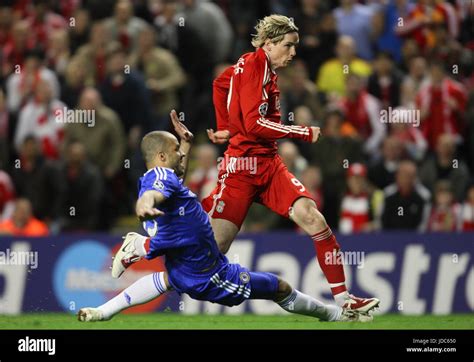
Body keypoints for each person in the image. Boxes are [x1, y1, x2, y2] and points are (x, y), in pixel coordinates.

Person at [78, 111, 372, 323]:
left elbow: (168, 184)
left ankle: (103, 311)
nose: (181, 154)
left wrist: (187, 145)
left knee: (167, 279)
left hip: (185, 262)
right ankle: (335, 315)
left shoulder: (158, 176)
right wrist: (144, 203)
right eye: (176, 151)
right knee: (279, 288)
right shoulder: (158, 179)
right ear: (163, 158)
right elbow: (157, 190)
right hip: (211, 274)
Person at [205, 15, 379, 312]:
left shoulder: (257, 66)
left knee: (314, 219)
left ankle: (345, 302)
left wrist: (224, 126)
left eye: (295, 46)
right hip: (242, 168)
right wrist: (300, 130)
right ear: (269, 44)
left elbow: (220, 84)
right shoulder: (256, 66)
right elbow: (253, 124)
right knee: (212, 251)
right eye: (288, 45)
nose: (293, 52)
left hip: (269, 164)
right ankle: (144, 247)